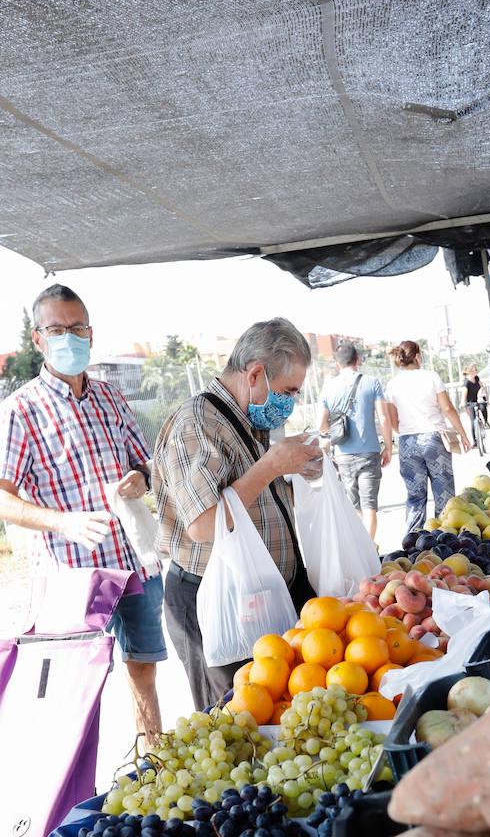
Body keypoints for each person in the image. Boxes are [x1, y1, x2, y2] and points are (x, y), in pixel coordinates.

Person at [0, 284, 165, 740]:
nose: (68, 338)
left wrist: (142, 478)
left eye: (77, 328)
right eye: (56, 329)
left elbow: (146, 463)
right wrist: (61, 521)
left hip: (132, 564)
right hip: (72, 574)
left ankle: (153, 762)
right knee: (77, 686)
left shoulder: (110, 398)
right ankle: (77, 778)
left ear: (91, 334)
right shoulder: (20, 410)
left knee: (144, 670)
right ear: (37, 338)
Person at [152, 318, 322, 710]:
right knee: (236, 715)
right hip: (216, 603)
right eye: (287, 391)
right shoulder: (197, 423)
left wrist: (295, 473)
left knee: (274, 710)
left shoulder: (248, 420)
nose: (290, 402)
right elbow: (203, 524)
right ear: (255, 374)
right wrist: (272, 466)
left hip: (258, 596)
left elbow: (253, 498)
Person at [384, 340, 470, 534]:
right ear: (417, 356)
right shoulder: (431, 377)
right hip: (434, 439)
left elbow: (392, 420)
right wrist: (463, 434)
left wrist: (406, 433)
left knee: (415, 496)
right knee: (444, 494)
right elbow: (447, 409)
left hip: (408, 442)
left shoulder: (392, 384)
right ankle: (444, 538)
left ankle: (414, 540)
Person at [317, 341, 391, 543]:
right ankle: (370, 547)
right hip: (370, 453)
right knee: (369, 506)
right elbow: (384, 418)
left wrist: (332, 439)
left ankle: (361, 548)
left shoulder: (328, 387)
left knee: (355, 506)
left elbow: (321, 424)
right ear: (358, 360)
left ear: (337, 364)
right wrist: (388, 447)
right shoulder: (372, 382)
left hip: (343, 455)